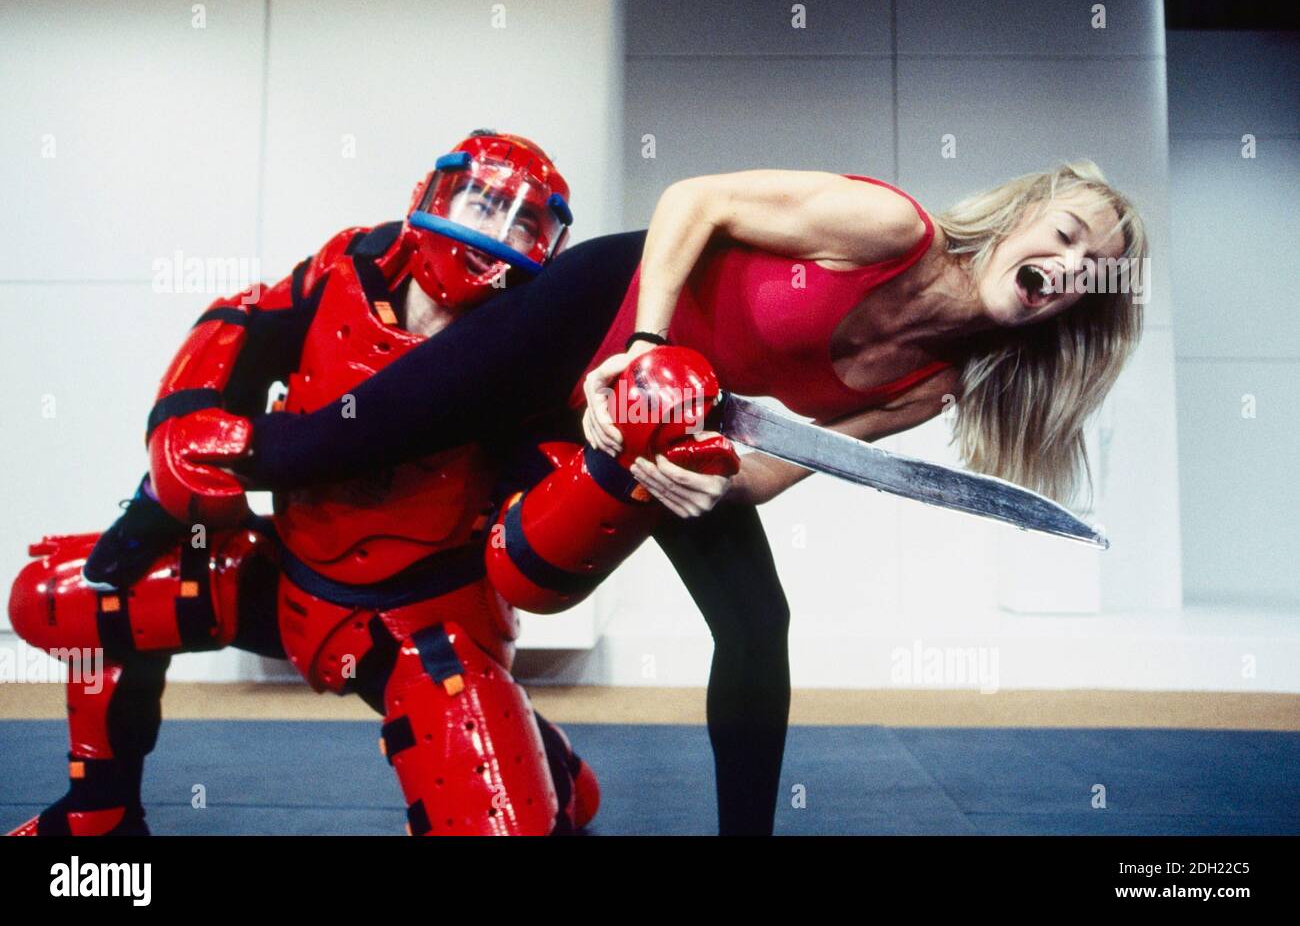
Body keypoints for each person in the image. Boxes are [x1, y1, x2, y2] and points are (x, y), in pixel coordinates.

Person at [33, 157, 1147, 836]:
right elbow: (692, 199)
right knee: (319, 446)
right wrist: (645, 341)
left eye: (1087, 266)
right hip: (596, 318)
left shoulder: (929, 383)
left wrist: (688, 478)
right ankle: (144, 519)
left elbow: (766, 466)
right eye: (1064, 230)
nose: (1064, 259)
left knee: (757, 623)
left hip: (660, 419)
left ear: (1074, 308)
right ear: (1022, 217)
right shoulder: (886, 230)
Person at [8, 130, 713, 836]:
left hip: (426, 628)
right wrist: (182, 425)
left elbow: (537, 568)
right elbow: (241, 321)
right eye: (479, 203)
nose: (491, 233)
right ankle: (97, 814)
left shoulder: (537, 364)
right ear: (428, 198)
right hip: (282, 575)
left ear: (547, 251)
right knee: (62, 598)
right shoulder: (350, 267)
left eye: (522, 222)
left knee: (496, 823)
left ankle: (542, 760)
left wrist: (617, 472)